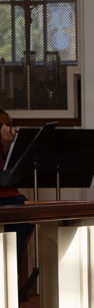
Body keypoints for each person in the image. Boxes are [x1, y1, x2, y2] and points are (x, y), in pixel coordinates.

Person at [0, 108, 33, 272]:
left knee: (22, 208)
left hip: (9, 195)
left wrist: (8, 148)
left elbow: (9, 176)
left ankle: (11, 272)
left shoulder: (4, 124)